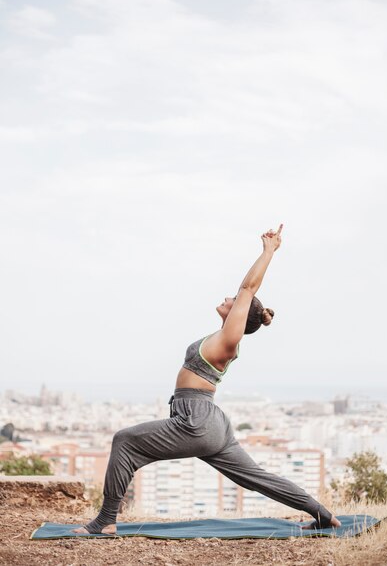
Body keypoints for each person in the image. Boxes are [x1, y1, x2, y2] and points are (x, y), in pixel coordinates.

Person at [73, 224, 340, 534]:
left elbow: (247, 289)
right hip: (209, 422)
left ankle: (106, 521)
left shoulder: (229, 338)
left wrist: (268, 251)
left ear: (240, 314)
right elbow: (244, 294)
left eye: (233, 300)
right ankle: (323, 515)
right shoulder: (220, 338)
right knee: (256, 477)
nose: (228, 297)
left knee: (125, 441)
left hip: (196, 421)